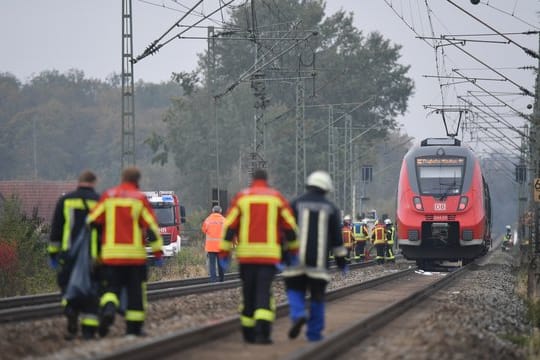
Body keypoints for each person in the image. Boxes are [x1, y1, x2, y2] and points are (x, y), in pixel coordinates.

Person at [218, 168, 298, 344]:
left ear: (252, 180)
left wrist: (224, 253)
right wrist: (293, 251)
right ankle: (263, 333)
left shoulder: (241, 198)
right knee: (264, 292)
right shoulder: (276, 198)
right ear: (266, 180)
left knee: (248, 292)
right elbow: (290, 227)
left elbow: (229, 227)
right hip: (269, 257)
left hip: (247, 257)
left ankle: (248, 332)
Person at [87, 167, 163, 337]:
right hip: (134, 258)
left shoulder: (108, 196)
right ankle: (133, 329)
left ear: (122, 178)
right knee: (135, 293)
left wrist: (97, 249)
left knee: (111, 289)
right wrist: (158, 253)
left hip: (111, 256)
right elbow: (151, 227)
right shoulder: (140, 199)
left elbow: (92, 220)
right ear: (138, 180)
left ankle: (109, 308)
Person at [283, 170, 348, 342]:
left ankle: (298, 314)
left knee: (294, 290)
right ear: (326, 188)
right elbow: (337, 240)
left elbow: (284, 231)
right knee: (317, 298)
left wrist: (282, 256)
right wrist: (342, 263)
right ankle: (314, 334)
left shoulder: (294, 204)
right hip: (319, 265)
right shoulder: (332, 209)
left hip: (295, 261)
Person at [48, 170, 100, 340]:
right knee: (92, 290)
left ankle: (70, 311)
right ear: (94, 182)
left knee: (68, 286)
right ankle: (88, 331)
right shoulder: (100, 202)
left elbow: (56, 229)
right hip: (93, 257)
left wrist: (54, 255)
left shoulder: (65, 200)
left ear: (79, 181)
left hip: (68, 255)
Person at [202, 205, 225, 282]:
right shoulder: (224, 221)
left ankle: (213, 281)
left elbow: (204, 230)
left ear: (212, 211)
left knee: (212, 264)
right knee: (220, 264)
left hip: (211, 247)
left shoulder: (208, 220)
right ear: (220, 211)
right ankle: (221, 279)